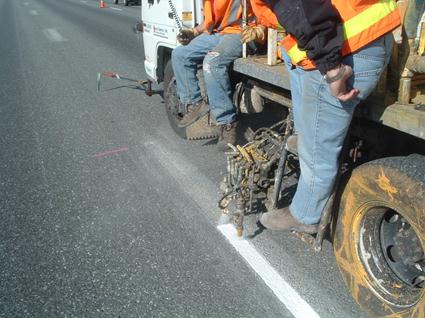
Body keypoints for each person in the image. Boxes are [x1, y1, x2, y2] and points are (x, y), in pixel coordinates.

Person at [245, 0, 401, 233]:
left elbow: (301, 6)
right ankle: (309, 139)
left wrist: (332, 70)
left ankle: (306, 215)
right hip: (362, 32)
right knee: (291, 56)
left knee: (318, 151)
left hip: (346, 49)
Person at [171, 0, 269, 150]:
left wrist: (260, 30)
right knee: (179, 54)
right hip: (221, 33)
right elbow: (211, 21)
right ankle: (194, 103)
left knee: (212, 62)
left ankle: (228, 123)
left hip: (244, 33)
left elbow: (267, 11)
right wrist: (193, 32)